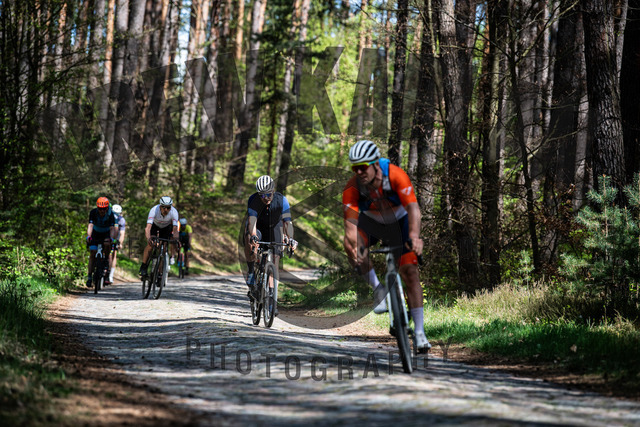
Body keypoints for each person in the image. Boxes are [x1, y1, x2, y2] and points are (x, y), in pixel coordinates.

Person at [342, 140, 431, 352]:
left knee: (410, 272)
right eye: (355, 168)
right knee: (350, 245)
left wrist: (414, 236)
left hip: (400, 220)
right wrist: (357, 249)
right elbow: (350, 226)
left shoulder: (396, 175)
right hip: (372, 222)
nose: (359, 172)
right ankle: (378, 290)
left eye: (363, 166)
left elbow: (413, 208)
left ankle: (420, 333)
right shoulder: (352, 187)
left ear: (375, 164)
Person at [244, 175, 298, 299]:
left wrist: (290, 238)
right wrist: (253, 236)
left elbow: (287, 223)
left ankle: (272, 296)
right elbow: (252, 222)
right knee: (249, 239)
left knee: (275, 259)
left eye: (268, 194)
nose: (266, 198)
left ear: (273, 191)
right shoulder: (253, 200)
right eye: (262, 195)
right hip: (258, 226)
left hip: (275, 226)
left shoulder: (282, 200)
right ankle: (251, 271)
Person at [139, 196, 179, 277]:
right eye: (164, 207)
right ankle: (143, 267)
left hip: (166, 228)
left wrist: (176, 239)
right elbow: (148, 228)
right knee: (150, 245)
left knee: (164, 248)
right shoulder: (154, 210)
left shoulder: (174, 212)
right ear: (160, 206)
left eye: (168, 208)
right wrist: (148, 238)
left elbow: (175, 229)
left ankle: (160, 272)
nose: (166, 210)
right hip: (154, 226)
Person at [86, 197, 117, 288]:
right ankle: (89, 276)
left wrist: (111, 239)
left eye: (104, 209)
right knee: (92, 253)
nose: (102, 211)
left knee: (107, 244)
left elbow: (112, 228)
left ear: (107, 208)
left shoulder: (111, 214)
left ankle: (106, 261)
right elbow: (90, 225)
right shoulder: (93, 212)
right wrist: (88, 236)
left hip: (106, 233)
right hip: (95, 233)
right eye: (100, 209)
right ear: (97, 208)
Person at [108, 204, 126, 284]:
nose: (116, 215)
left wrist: (120, 243)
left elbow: (122, 233)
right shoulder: (108, 217)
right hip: (107, 235)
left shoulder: (121, 220)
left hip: (116, 238)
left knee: (113, 255)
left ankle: (110, 275)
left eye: (117, 213)